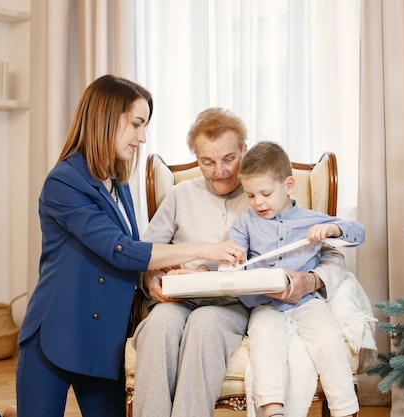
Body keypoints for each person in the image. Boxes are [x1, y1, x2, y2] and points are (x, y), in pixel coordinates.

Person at [15, 75, 244, 417]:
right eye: (136, 124)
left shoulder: (117, 183)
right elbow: (120, 249)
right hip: (59, 333)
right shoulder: (63, 181)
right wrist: (208, 249)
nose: (143, 137)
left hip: (103, 337)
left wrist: (149, 275)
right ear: (107, 118)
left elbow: (137, 253)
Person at [132, 107, 350, 417]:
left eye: (228, 159)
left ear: (243, 151)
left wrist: (311, 281)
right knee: (159, 325)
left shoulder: (264, 197)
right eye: (207, 162)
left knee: (205, 324)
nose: (219, 170)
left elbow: (329, 253)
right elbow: (144, 254)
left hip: (231, 306)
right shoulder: (180, 195)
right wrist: (149, 278)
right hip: (178, 299)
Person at [228, 141, 363, 417]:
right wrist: (233, 261)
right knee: (265, 341)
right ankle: (273, 409)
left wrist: (332, 228)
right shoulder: (245, 221)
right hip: (264, 303)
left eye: (265, 193)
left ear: (288, 185)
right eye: (251, 195)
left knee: (328, 338)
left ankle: (345, 409)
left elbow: (357, 232)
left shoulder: (312, 219)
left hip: (306, 301)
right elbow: (231, 255)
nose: (258, 202)